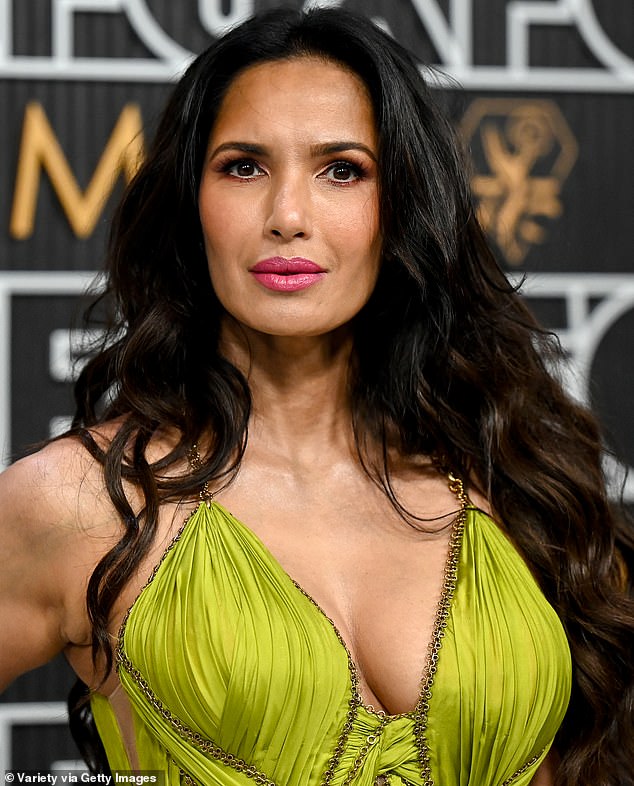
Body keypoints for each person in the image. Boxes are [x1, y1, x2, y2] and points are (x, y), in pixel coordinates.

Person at [1, 7, 633, 785]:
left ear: (398, 203)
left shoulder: (511, 469)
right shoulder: (77, 503)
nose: (288, 217)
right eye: (243, 166)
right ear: (189, 201)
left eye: (342, 169)